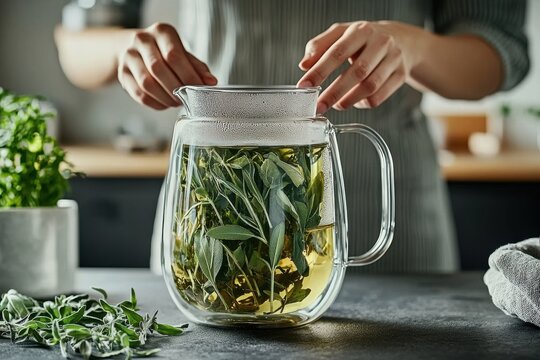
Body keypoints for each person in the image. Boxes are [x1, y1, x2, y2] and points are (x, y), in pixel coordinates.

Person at [55, 0, 529, 274]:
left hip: (381, 211)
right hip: (211, 199)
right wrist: (125, 48)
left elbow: (501, 51)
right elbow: (76, 44)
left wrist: (413, 47)